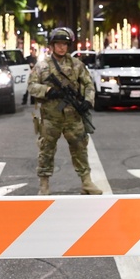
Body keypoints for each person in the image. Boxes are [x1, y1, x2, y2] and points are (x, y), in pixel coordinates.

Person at [27, 27, 102, 196]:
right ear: (52, 46)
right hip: (50, 117)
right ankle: (44, 184)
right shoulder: (42, 66)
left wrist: (87, 102)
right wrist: (47, 91)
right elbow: (31, 86)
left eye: (65, 44)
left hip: (73, 116)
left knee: (80, 148)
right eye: (58, 44)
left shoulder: (77, 65)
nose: (61, 47)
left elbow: (89, 84)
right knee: (46, 150)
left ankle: (86, 182)